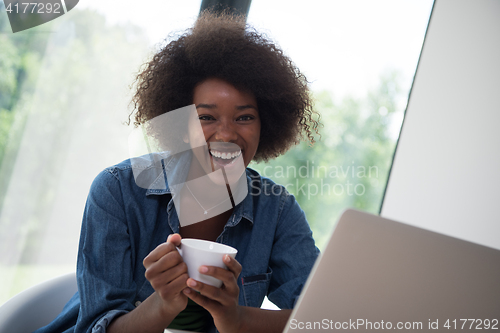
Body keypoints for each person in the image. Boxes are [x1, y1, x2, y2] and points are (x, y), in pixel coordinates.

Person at [35, 10, 320, 333]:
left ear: (264, 126)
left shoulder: (276, 209)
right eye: (206, 118)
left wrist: (236, 319)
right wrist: (163, 303)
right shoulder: (117, 190)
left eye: (244, 118)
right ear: (181, 125)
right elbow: (96, 327)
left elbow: (325, 318)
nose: (226, 134)